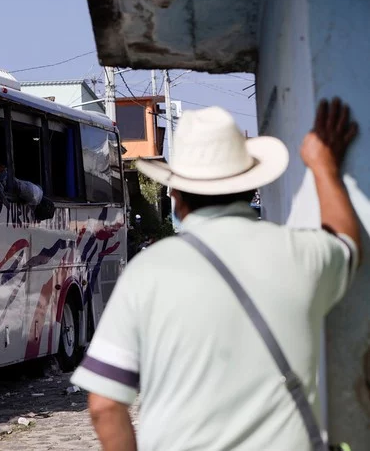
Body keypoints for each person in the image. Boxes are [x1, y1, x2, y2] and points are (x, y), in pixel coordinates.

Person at [73, 98, 360, 450]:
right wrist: (324, 167)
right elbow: (347, 240)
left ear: (176, 195)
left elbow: (104, 405)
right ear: (251, 185)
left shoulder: (147, 272)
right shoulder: (301, 254)